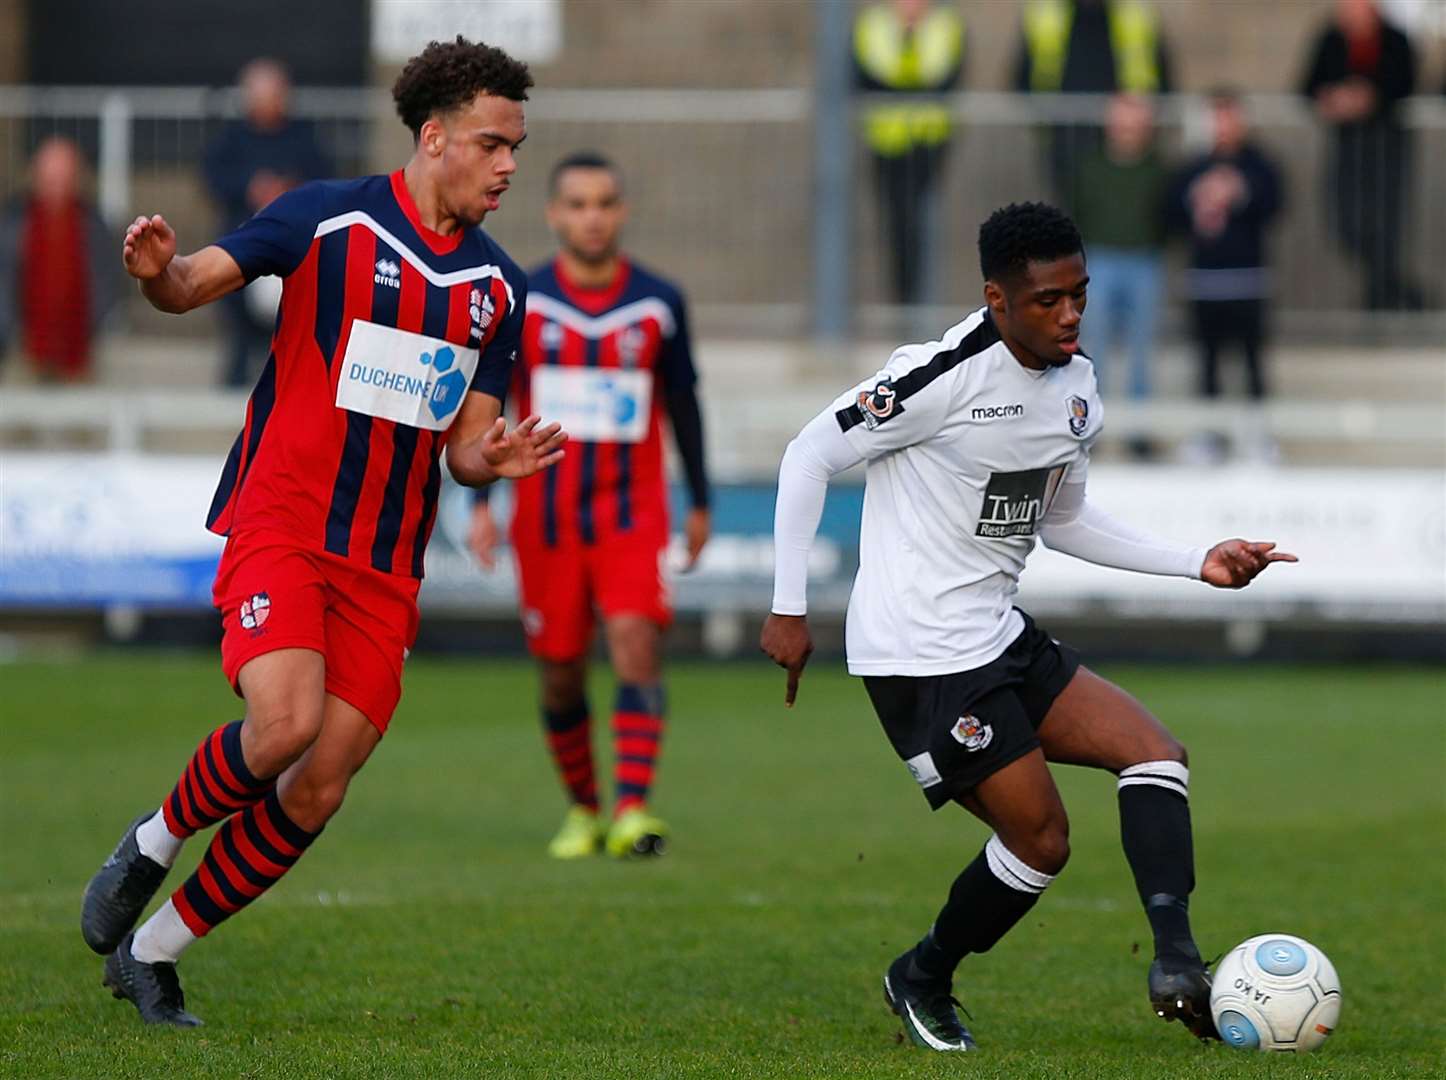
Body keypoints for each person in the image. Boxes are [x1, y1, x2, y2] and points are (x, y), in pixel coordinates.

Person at [80, 37, 566, 1028]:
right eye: (493, 142)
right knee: (286, 724)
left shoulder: (498, 292)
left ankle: (152, 953)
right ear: (434, 140)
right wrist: (159, 273)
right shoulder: (326, 217)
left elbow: (467, 446)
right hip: (285, 521)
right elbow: (192, 285)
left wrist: (492, 460)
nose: (511, 163)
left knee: (318, 784)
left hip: (386, 564)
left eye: (516, 145)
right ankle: (154, 840)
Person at [760, 202, 1295, 1052]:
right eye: (1049, 300)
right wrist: (790, 605)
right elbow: (809, 454)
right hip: (919, 656)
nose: (1072, 313)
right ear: (998, 299)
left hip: (999, 634)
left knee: (1158, 754)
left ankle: (1179, 964)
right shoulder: (939, 375)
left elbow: (1063, 520)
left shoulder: (1077, 384)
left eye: (1078, 293)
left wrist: (1197, 561)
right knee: (1042, 841)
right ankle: (922, 976)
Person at [468, 152, 710, 860]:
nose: (592, 217)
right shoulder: (522, 300)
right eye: (577, 204)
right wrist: (478, 504)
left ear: (622, 211)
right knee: (560, 667)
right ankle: (584, 809)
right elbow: (486, 404)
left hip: (632, 511)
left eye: (604, 202)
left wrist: (700, 499)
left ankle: (633, 808)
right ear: (553, 214)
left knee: (636, 643)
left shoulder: (660, 303)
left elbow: (685, 404)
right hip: (542, 516)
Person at [1166, 89, 1282, 462]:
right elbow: (1170, 213)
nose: (1222, 126)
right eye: (1216, 118)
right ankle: (1209, 434)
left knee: (1251, 359)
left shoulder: (1260, 165)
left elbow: (1274, 203)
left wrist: (1238, 193)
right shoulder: (1192, 167)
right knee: (1207, 359)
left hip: (1248, 277)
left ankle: (1257, 436)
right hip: (1206, 280)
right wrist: (1198, 203)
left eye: (1229, 117)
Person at [203, 59, 331, 387]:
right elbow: (213, 180)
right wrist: (251, 188)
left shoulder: (303, 136)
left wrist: (287, 191)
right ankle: (236, 377)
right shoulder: (232, 138)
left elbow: (325, 182)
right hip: (242, 238)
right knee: (236, 312)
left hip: (295, 245)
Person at [1301, 0, 1421, 311]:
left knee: (1385, 226)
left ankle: (1381, 299)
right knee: (1345, 222)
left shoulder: (1394, 39)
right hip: (1347, 148)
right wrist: (1330, 99)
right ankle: (1401, 293)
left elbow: (1407, 83)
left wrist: (1369, 98)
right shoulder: (1330, 38)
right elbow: (1306, 85)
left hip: (1387, 150)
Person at [853, 0, 964, 304]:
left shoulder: (945, 24)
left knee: (926, 222)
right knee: (897, 225)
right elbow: (865, 77)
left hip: (930, 140)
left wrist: (903, 90)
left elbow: (948, 78)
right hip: (888, 141)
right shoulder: (873, 24)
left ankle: (921, 304)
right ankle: (904, 302)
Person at [1012, 0, 1171, 210]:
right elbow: (1023, 76)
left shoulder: (1134, 13)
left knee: (1119, 211)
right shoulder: (1046, 14)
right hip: (1062, 136)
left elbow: (1162, 73)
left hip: (1123, 136)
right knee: (1067, 208)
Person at [1071, 93, 1166, 408]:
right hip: (1100, 260)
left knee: (1141, 345)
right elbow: (1079, 210)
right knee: (1094, 343)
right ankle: (1090, 420)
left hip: (1145, 261)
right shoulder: (1091, 167)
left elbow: (1166, 217)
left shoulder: (1157, 169)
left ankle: (1138, 426)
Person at [0, 137, 116, 382]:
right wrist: (12, 331)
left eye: (64, 179)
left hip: (80, 351)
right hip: (25, 350)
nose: (57, 188)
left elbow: (108, 283)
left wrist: (91, 329)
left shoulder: (94, 229)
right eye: (50, 179)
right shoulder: (14, 226)